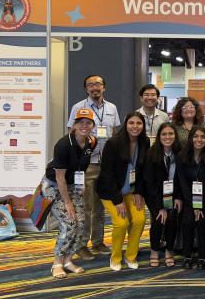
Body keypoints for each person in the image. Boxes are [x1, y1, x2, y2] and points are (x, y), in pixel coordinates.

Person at [67, 75, 121, 259]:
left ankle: (98, 242)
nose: (94, 87)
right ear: (86, 89)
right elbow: (71, 135)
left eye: (98, 84)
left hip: (105, 165)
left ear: (104, 87)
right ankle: (81, 245)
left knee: (100, 207)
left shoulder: (112, 107)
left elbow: (114, 134)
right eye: (90, 84)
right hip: (86, 165)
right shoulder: (78, 107)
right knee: (85, 207)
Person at [42, 108, 97, 278]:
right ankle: (57, 262)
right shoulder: (64, 144)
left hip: (73, 185)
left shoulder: (91, 142)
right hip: (54, 186)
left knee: (81, 224)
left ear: (92, 125)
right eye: (80, 122)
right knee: (69, 223)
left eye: (88, 123)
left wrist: (81, 187)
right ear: (74, 125)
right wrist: (68, 203)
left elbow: (81, 168)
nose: (84, 126)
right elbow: (60, 178)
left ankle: (68, 259)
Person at [96, 112, 149, 271]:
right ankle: (116, 257)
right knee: (121, 223)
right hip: (111, 192)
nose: (135, 127)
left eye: (138, 123)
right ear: (125, 125)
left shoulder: (145, 142)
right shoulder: (114, 143)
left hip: (132, 191)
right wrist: (118, 201)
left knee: (139, 220)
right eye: (131, 123)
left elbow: (143, 170)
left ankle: (131, 256)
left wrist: (139, 191)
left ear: (143, 126)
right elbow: (107, 174)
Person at [141, 122, 182, 267]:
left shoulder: (179, 152)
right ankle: (154, 250)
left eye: (170, 134)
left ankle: (169, 251)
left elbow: (181, 178)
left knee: (171, 219)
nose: (167, 137)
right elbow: (150, 182)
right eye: (164, 134)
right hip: (154, 195)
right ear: (159, 137)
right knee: (159, 219)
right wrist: (160, 207)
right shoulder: (152, 154)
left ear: (175, 136)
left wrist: (178, 197)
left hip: (172, 194)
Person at [177, 125, 205, 270]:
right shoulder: (182, 156)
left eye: (202, 137)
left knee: (201, 222)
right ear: (190, 139)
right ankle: (187, 255)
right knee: (187, 221)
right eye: (196, 136)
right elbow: (182, 183)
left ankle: (202, 256)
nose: (199, 140)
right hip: (188, 198)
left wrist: (200, 206)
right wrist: (193, 205)